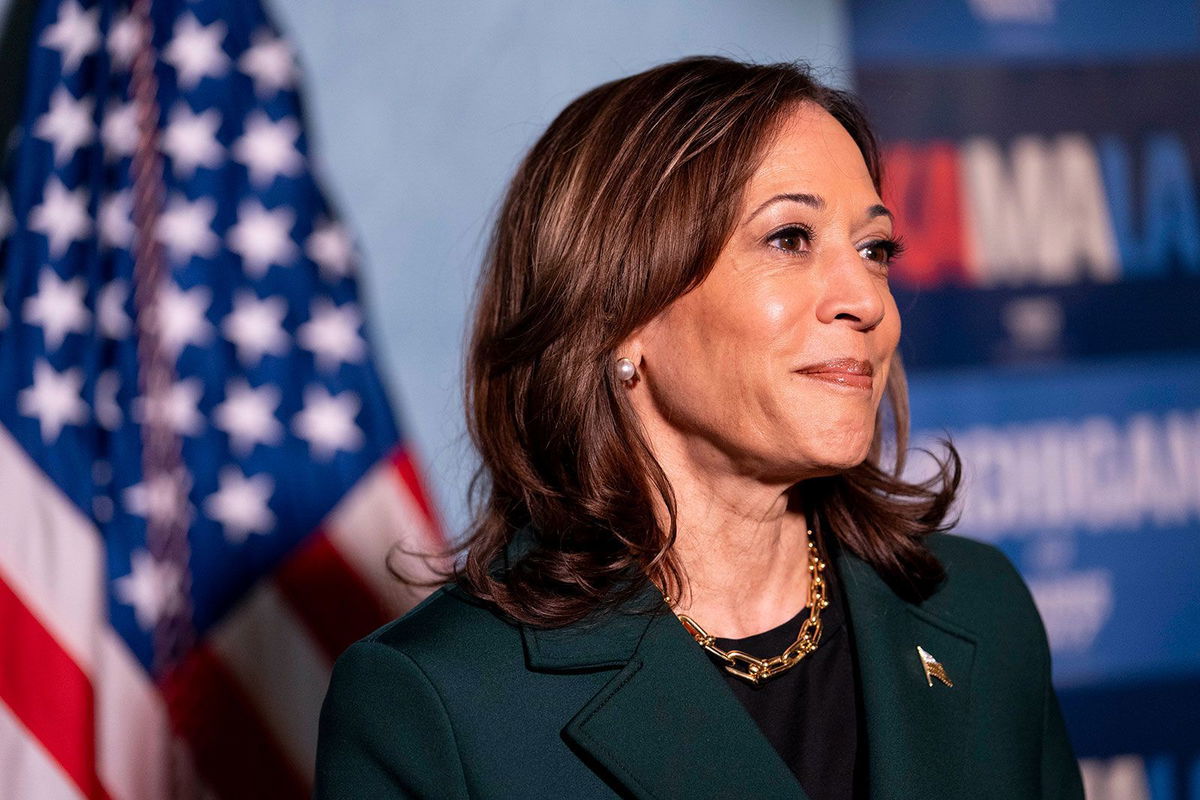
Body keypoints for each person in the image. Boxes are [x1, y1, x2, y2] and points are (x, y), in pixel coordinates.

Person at [314, 56, 1084, 800]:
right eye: (790, 239)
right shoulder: (434, 705)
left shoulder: (980, 610)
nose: (867, 300)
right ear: (618, 312)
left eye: (875, 248)